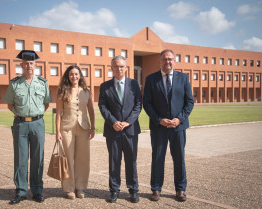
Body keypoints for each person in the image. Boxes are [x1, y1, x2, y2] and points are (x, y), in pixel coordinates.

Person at [143, 49, 194, 202]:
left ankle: (180, 189)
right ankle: (156, 189)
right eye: (165, 59)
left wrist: (179, 119)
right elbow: (147, 103)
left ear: (174, 60)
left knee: (179, 158)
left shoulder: (183, 78)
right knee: (157, 158)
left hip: (178, 127)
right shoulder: (151, 79)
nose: (168, 62)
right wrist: (159, 119)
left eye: (170, 59)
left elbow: (189, 102)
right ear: (160, 61)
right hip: (159, 127)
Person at [3, 50, 52, 205]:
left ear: (35, 65)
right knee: (20, 158)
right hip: (21, 124)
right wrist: (22, 115)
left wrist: (35, 116)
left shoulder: (42, 83)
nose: (29, 66)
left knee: (38, 158)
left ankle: (37, 191)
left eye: (31, 63)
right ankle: (21, 191)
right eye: (26, 63)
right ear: (21, 65)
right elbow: (9, 105)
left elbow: (46, 103)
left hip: (38, 124)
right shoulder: (15, 83)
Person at [98, 55, 142, 203]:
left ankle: (133, 190)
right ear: (111, 68)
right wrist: (113, 122)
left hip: (130, 130)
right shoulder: (105, 86)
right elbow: (102, 106)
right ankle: (114, 190)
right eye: (116, 66)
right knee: (114, 161)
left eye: (122, 66)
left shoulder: (134, 84)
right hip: (113, 130)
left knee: (131, 161)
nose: (119, 69)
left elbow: (138, 105)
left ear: (126, 67)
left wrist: (128, 122)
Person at [56, 65, 95, 200]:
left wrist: (93, 127)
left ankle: (80, 187)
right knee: (68, 159)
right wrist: (57, 132)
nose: (74, 76)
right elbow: (58, 113)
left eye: (76, 74)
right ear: (68, 76)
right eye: (71, 74)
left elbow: (91, 109)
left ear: (80, 75)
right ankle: (69, 188)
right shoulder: (63, 91)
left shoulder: (86, 91)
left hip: (84, 128)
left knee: (82, 159)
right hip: (67, 128)